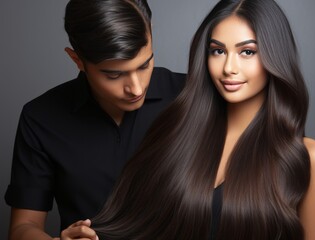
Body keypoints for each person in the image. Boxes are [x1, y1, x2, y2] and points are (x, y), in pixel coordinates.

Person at [62, 0, 315, 239]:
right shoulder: (176, 134)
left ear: (275, 56)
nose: (229, 67)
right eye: (218, 51)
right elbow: (139, 226)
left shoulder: (311, 158)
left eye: (247, 52)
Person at [4, 0, 185, 239]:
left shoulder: (193, 97)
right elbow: (22, 227)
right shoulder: (40, 118)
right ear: (77, 60)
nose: (136, 88)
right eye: (114, 74)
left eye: (144, 65)